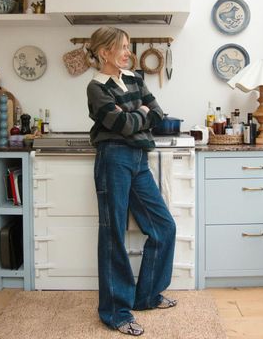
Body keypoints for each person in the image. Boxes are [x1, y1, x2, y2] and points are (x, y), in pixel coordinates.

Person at [87, 27, 177, 336]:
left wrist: (134, 113)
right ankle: (115, 312)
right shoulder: (96, 87)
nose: (128, 52)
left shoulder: (135, 79)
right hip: (113, 158)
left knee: (164, 227)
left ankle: (147, 296)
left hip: (139, 159)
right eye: (123, 47)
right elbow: (123, 124)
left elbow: (158, 113)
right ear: (104, 53)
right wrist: (139, 113)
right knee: (114, 234)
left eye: (128, 47)